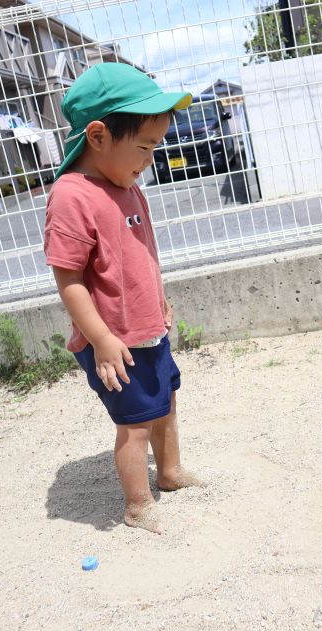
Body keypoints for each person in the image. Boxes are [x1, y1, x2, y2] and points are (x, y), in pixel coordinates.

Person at [44, 63, 202, 533]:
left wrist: (160, 299)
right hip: (114, 342)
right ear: (97, 136)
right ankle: (137, 505)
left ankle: (169, 474)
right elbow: (69, 279)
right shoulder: (71, 196)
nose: (150, 159)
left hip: (149, 328)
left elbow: (139, 256)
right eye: (145, 146)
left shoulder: (126, 186)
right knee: (134, 422)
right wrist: (102, 339)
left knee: (166, 401)